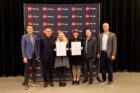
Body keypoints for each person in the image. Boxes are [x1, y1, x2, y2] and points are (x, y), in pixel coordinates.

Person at [97, 23, 117, 87]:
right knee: (102, 68)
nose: (105, 27)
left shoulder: (112, 35)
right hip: (102, 53)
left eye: (106, 26)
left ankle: (110, 81)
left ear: (108, 27)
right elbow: (98, 45)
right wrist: (98, 53)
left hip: (109, 54)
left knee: (110, 68)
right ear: (102, 28)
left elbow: (114, 46)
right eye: (104, 26)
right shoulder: (100, 35)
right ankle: (104, 80)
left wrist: (113, 54)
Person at [21, 25, 40, 90]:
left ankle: (34, 80)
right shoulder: (24, 37)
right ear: (27, 30)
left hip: (34, 56)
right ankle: (26, 83)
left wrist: (37, 55)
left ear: (33, 29)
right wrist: (24, 57)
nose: (30, 29)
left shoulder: (36, 36)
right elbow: (23, 48)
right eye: (28, 28)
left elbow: (37, 47)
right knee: (27, 70)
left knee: (34, 68)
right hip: (27, 56)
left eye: (31, 28)